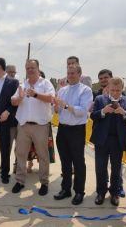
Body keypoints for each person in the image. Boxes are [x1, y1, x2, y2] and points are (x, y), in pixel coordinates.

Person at [11, 59, 55, 196]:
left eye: (32, 68)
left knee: (43, 155)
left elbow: (51, 98)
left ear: (38, 68)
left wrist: (35, 94)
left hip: (40, 126)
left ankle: (44, 182)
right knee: (21, 154)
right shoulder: (22, 85)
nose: (30, 70)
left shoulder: (45, 83)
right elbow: (13, 101)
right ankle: (20, 181)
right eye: (27, 68)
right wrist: (20, 98)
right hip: (23, 125)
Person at [90, 77, 126, 206]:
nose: (115, 93)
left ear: (122, 89)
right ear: (108, 88)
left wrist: (124, 112)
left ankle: (115, 193)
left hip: (118, 140)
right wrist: (103, 111)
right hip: (102, 140)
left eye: (118, 90)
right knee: (100, 168)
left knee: (116, 169)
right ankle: (101, 192)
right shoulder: (99, 99)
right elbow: (93, 116)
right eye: (113, 90)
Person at [53, 62, 93, 205]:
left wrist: (65, 105)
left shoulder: (86, 90)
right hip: (62, 129)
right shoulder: (62, 90)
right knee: (65, 162)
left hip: (76, 130)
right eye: (68, 73)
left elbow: (82, 111)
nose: (69, 76)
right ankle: (65, 189)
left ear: (79, 75)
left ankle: (79, 191)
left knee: (78, 162)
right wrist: (56, 106)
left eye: (73, 73)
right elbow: (56, 111)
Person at [5, 65, 19, 173]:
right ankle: (4, 167)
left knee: (19, 148)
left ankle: (17, 165)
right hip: (8, 123)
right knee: (7, 147)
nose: (12, 74)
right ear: (5, 72)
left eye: (14, 72)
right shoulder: (2, 86)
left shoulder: (19, 86)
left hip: (19, 123)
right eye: (10, 71)